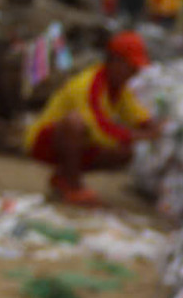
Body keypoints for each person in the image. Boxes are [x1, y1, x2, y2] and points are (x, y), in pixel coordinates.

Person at [23, 30, 160, 207]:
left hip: (71, 143)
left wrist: (153, 127)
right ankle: (73, 186)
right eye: (131, 67)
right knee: (76, 124)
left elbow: (137, 115)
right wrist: (139, 135)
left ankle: (63, 177)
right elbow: (98, 128)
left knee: (125, 152)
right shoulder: (89, 84)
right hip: (43, 142)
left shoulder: (118, 89)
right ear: (114, 61)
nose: (134, 73)